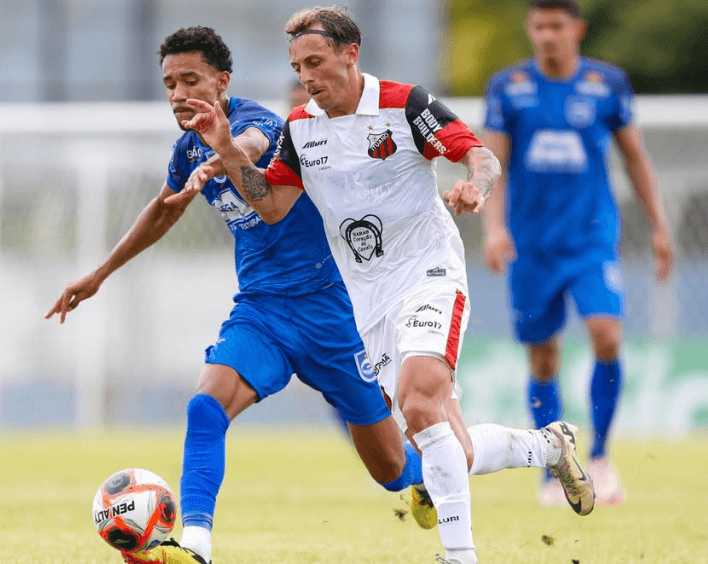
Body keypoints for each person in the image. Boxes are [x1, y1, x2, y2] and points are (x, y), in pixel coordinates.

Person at [177, 7, 595, 563]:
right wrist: (226, 151)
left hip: (429, 274)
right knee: (443, 442)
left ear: (350, 54)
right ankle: (547, 445)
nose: (307, 77)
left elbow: (480, 154)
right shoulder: (302, 128)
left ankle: (459, 555)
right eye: (298, 67)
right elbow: (271, 204)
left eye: (316, 63)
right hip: (368, 300)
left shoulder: (404, 104)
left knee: (420, 401)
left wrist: (477, 185)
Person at [46, 26, 431, 564]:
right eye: (169, 84)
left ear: (222, 81)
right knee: (206, 408)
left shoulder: (262, 125)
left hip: (333, 312)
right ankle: (196, 547)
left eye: (190, 80)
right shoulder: (185, 149)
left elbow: (253, 143)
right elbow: (165, 208)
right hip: (262, 313)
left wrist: (221, 154)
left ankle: (426, 477)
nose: (178, 94)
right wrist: (100, 273)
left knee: (390, 470)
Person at [481, 0, 674, 507]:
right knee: (543, 355)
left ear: (577, 30)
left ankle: (602, 457)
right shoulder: (509, 87)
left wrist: (659, 228)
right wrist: (493, 228)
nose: (547, 36)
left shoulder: (607, 83)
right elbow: (492, 164)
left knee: (606, 334)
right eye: (539, 26)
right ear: (530, 28)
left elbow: (635, 157)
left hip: (590, 239)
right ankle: (554, 469)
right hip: (530, 244)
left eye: (556, 26)